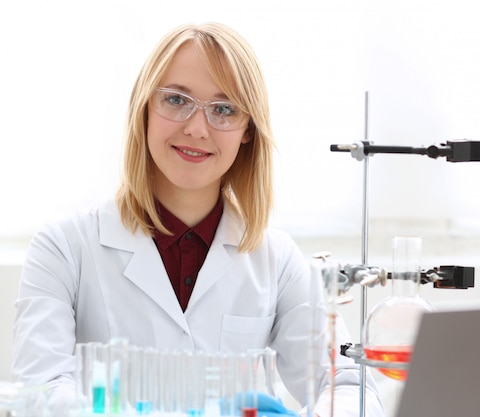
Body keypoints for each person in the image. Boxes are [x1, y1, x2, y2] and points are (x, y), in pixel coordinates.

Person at [11, 22, 385, 417]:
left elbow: (349, 385)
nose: (196, 129)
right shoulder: (64, 248)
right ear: (144, 110)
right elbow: (40, 393)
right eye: (176, 100)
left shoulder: (278, 261)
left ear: (247, 131)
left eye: (224, 110)